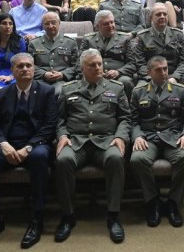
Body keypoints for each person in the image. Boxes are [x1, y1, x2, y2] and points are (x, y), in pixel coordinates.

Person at [0, 53, 57, 249]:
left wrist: (29, 147)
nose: (25, 69)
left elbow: (50, 126)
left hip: (35, 144)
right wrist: (4, 145)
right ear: (12, 71)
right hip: (9, 145)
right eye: (20, 66)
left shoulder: (47, 91)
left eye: (29, 65)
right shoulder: (2, 94)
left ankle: (36, 218)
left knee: (39, 157)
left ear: (34, 69)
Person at [54, 49, 131, 243]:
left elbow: (125, 118)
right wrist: (62, 135)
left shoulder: (117, 87)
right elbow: (60, 119)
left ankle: (113, 215)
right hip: (76, 141)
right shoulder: (68, 88)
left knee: (115, 158)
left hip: (106, 141)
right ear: (82, 69)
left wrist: (121, 137)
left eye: (99, 64)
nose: (98, 67)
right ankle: (68, 216)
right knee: (63, 160)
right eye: (92, 65)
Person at [129, 56, 184, 227]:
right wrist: (137, 135)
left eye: (166, 68)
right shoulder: (139, 91)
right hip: (148, 137)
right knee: (137, 160)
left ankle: (173, 202)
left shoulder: (179, 90)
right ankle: (153, 202)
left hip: (172, 137)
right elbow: (132, 120)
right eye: (159, 70)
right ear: (149, 72)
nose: (164, 73)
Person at [132, 3, 184, 107]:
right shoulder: (142, 37)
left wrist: (175, 78)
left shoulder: (177, 35)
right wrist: (153, 78)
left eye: (165, 14)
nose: (162, 17)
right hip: (151, 77)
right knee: (139, 89)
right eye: (158, 14)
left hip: (174, 75)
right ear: (151, 18)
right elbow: (140, 63)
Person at [79, 10, 136, 98]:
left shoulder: (124, 39)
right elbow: (80, 63)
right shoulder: (88, 39)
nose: (111, 26)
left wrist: (118, 72)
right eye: (106, 24)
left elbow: (132, 64)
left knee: (126, 81)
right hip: (94, 74)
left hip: (118, 76)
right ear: (97, 26)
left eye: (112, 22)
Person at [28, 11, 79, 94]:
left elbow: (77, 65)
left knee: (58, 92)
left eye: (53, 23)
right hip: (40, 80)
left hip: (62, 80)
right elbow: (30, 65)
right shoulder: (34, 43)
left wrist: (63, 74)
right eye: (47, 24)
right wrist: (44, 74)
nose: (50, 26)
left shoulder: (70, 42)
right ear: (43, 26)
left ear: (59, 23)